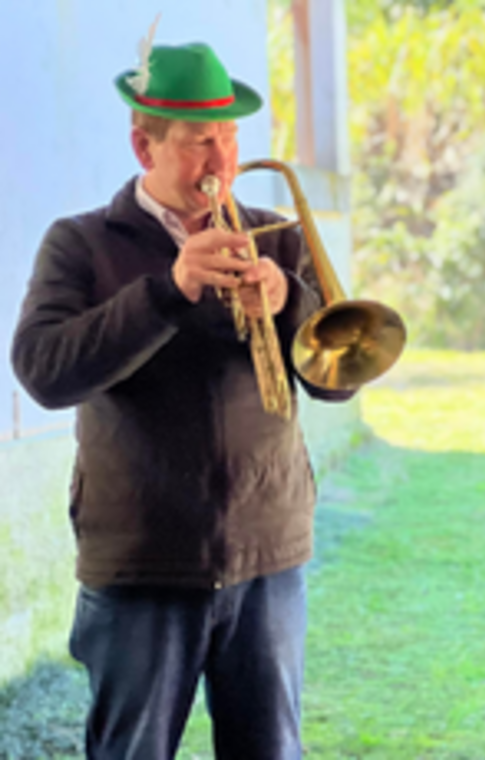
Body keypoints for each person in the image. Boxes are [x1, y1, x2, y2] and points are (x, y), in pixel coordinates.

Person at [11, 38, 353, 759]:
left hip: (269, 555)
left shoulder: (274, 238)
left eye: (229, 136)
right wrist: (170, 289)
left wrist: (289, 298)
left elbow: (338, 377)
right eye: (201, 142)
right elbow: (43, 373)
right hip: (142, 561)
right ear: (144, 146)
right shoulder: (80, 245)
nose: (222, 161)